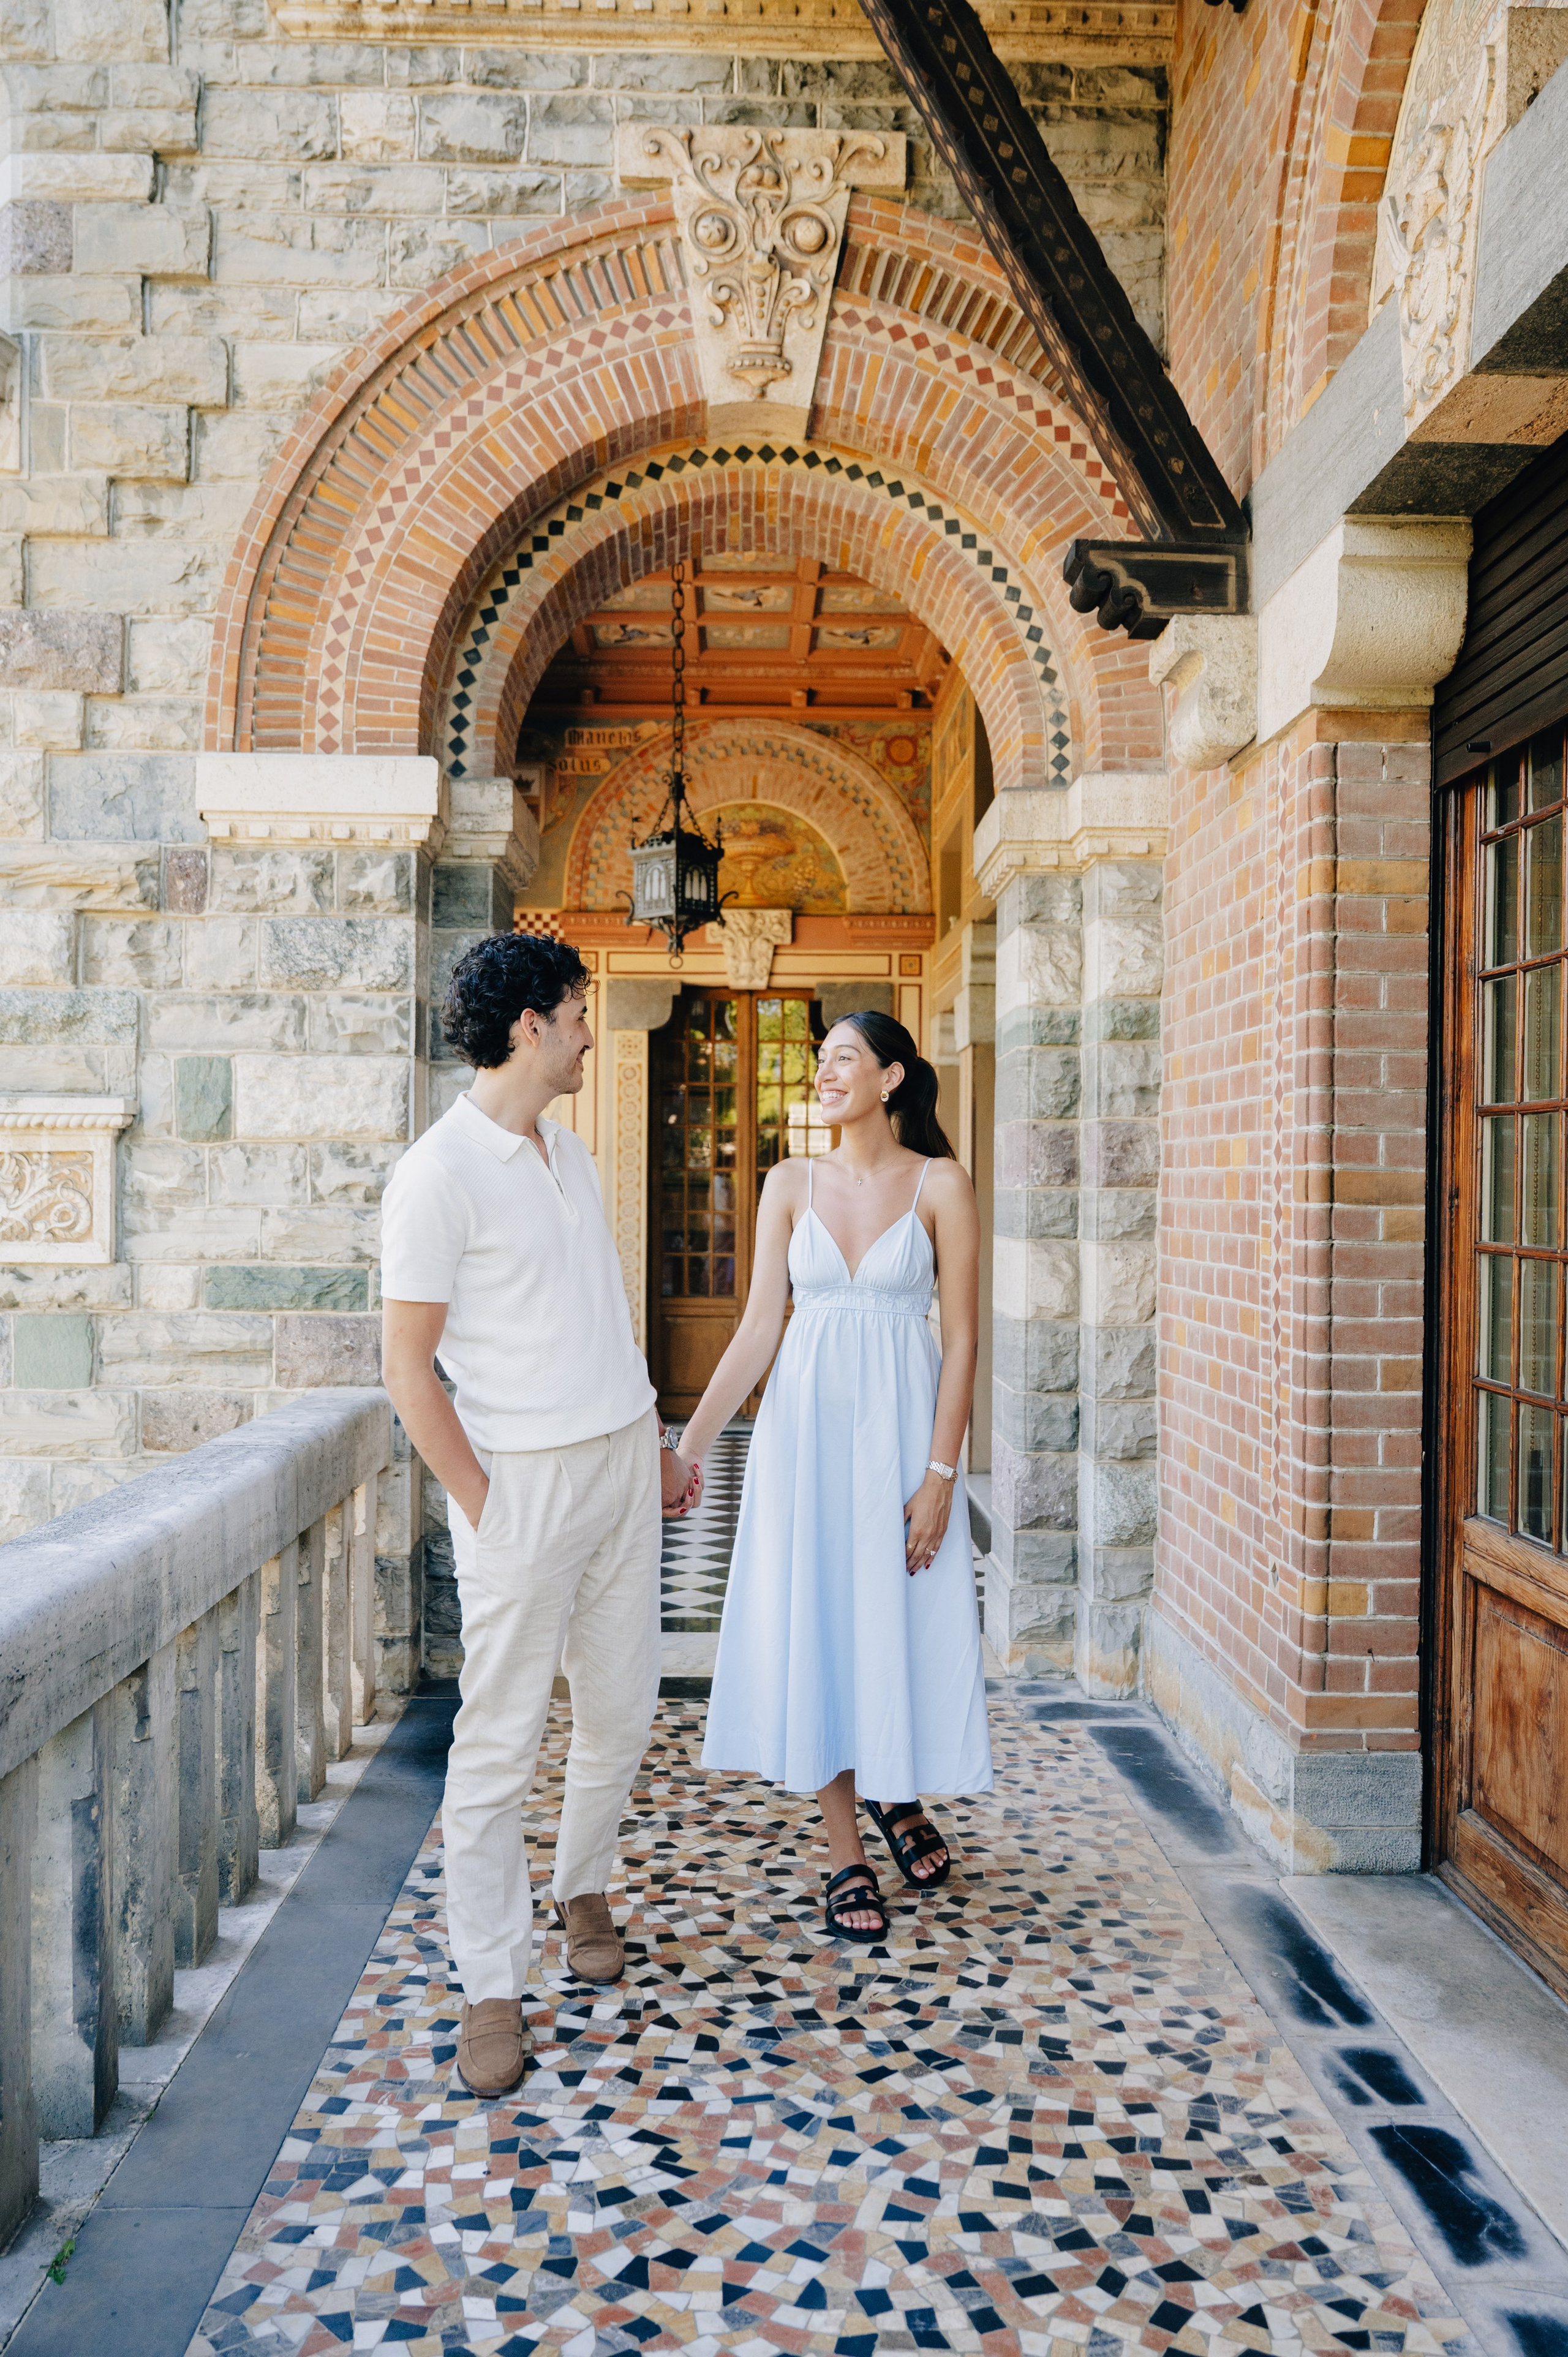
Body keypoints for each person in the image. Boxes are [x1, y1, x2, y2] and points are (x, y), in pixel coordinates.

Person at [380, 933, 696, 2098]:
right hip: (521, 1485)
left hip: (619, 1464)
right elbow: (409, 1369)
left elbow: (603, 1314)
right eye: (573, 1013)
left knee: (621, 1708)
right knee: (500, 1743)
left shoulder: (571, 1153)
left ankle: (583, 1884)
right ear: (527, 1024)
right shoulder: (436, 1174)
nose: (583, 1032)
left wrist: (655, 1439)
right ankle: (493, 1985)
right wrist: (485, 1507)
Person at [668, 1009, 992, 1942]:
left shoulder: (943, 1184)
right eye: (820, 1062)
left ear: (891, 1078)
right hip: (803, 1440)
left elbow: (963, 1338)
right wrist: (688, 1449)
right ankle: (846, 1847)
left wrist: (941, 1476)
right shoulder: (787, 1183)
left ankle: (899, 1791)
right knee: (820, 1621)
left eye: (842, 1058)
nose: (824, 1074)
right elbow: (760, 1327)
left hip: (901, 1439)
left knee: (892, 1616)